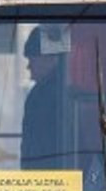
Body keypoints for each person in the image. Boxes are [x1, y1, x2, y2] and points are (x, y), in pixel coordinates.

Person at [19, 25, 69, 170]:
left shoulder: (42, 95)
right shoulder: (73, 90)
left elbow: (35, 146)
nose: (28, 67)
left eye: (32, 60)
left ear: (51, 59)